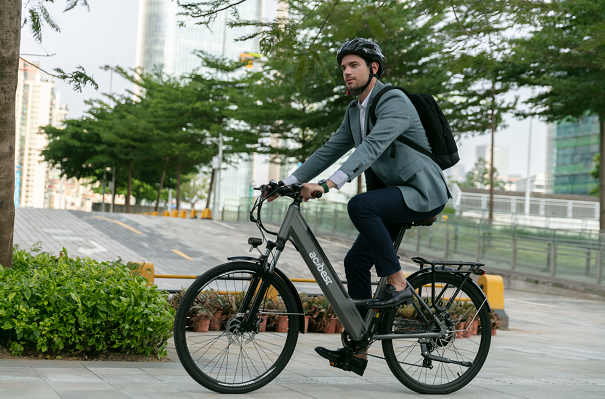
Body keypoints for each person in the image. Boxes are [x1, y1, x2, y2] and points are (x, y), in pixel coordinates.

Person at [269, 38, 452, 375]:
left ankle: (397, 283)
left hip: (422, 191)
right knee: (355, 262)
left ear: (373, 68)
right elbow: (330, 149)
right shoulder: (355, 111)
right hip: (395, 195)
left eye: (354, 65)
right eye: (343, 68)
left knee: (361, 205)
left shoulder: (393, 100)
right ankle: (359, 348)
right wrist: (289, 182)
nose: (347, 72)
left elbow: (371, 147)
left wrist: (328, 184)